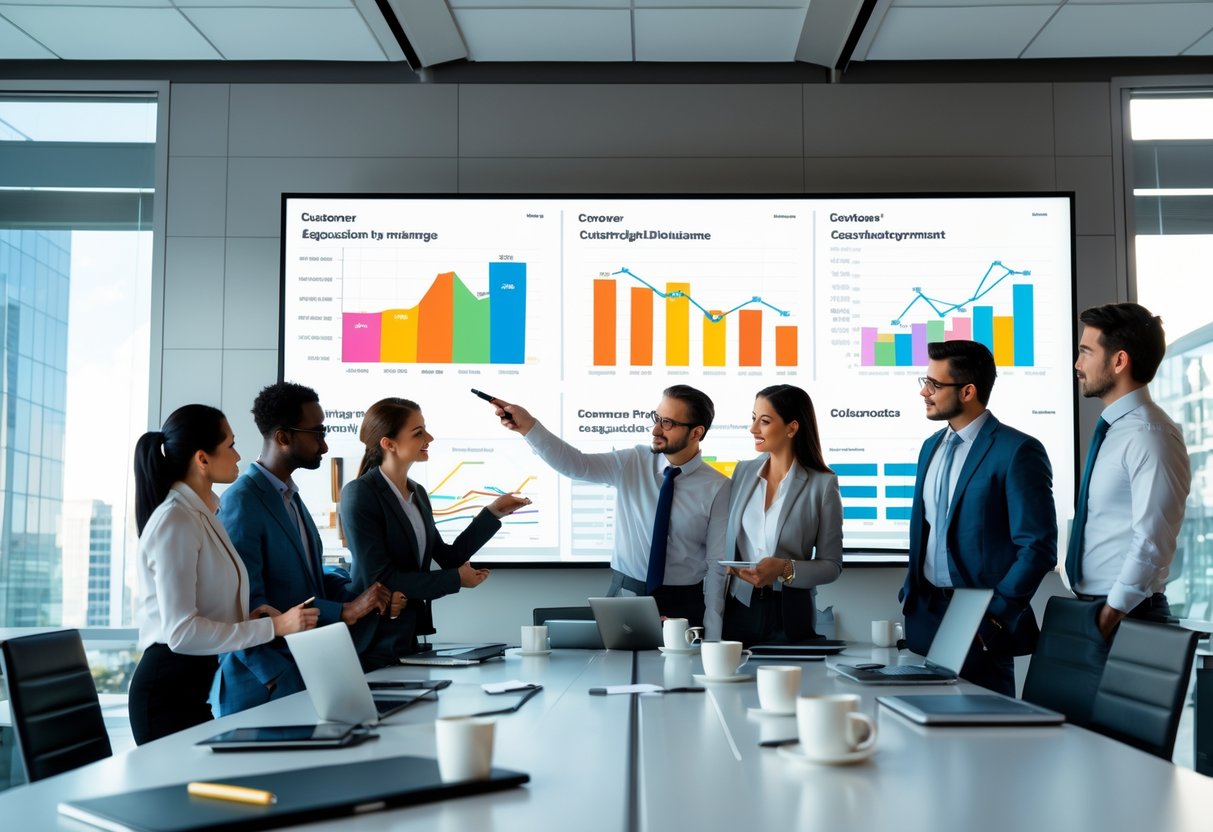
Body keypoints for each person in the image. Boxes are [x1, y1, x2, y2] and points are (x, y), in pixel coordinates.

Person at [128, 404, 319, 745]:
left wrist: (248, 617)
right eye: (230, 445)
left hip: (192, 687)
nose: (238, 455)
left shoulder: (203, 513)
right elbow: (181, 633)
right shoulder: (176, 519)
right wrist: (275, 627)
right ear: (202, 459)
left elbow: (203, 606)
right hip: (166, 696)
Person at [216, 382, 396, 715]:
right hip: (265, 686)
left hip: (306, 671)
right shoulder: (241, 502)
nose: (324, 445)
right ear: (283, 437)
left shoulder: (289, 497)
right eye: (317, 433)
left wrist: (360, 594)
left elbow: (307, 578)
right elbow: (242, 605)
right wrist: (342, 611)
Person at [491, 385, 730, 626]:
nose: (656, 429)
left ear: (696, 433)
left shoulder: (719, 487)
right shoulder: (633, 461)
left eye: (668, 423)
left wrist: (713, 631)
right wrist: (529, 427)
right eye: (657, 418)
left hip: (685, 602)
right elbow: (577, 465)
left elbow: (716, 564)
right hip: (625, 594)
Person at [900, 340, 1057, 696]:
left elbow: (1038, 547)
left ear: (968, 391)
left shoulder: (1017, 450)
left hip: (981, 623)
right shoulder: (930, 447)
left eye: (934, 384)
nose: (924, 392)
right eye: (925, 382)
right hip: (926, 615)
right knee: (921, 722)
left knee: (986, 727)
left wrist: (995, 616)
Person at [341, 397, 530, 668]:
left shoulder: (417, 493)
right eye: (418, 433)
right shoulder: (360, 493)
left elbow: (448, 557)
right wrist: (455, 579)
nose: (429, 438)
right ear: (388, 443)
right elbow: (381, 579)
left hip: (408, 635)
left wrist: (493, 512)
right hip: (373, 637)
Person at [1070, 302, 1190, 641]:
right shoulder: (1118, 430)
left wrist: (1111, 614)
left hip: (1125, 615)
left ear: (1119, 361)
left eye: (1086, 352)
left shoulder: (1150, 435)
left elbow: (1154, 539)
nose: (1078, 364)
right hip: (1100, 610)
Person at [705, 385, 843, 644]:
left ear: (792, 428)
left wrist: (784, 568)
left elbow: (832, 566)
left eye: (764, 421)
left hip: (790, 613)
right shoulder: (742, 472)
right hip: (739, 608)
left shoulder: (823, 484)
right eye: (753, 418)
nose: (753, 428)